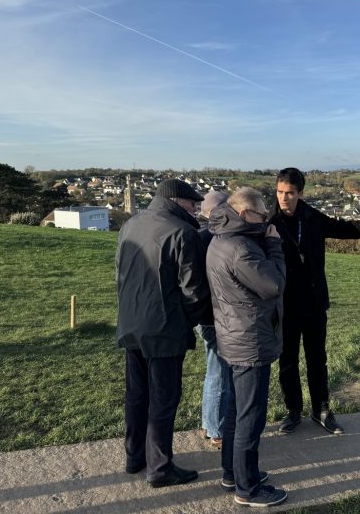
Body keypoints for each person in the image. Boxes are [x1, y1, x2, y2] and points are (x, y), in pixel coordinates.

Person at [270, 167, 360, 435]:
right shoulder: (268, 221)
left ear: (300, 193)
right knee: (287, 361)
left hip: (313, 303)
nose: (283, 198)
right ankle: (293, 411)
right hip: (284, 305)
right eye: (279, 192)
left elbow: (347, 228)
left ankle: (321, 410)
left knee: (317, 359)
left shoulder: (311, 218)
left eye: (289, 193)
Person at [116, 178, 210, 488]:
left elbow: (120, 273)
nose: (196, 209)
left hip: (132, 324)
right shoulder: (182, 232)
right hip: (165, 330)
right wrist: (190, 321)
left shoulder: (130, 225)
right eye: (193, 204)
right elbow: (194, 291)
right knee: (163, 399)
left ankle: (135, 457)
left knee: (136, 395)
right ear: (177, 201)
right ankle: (159, 467)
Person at [207, 187, 288, 507]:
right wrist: (274, 245)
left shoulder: (220, 239)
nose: (266, 220)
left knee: (234, 410)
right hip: (250, 340)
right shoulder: (242, 248)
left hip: (232, 335)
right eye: (261, 215)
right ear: (243, 214)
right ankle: (248, 488)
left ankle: (233, 472)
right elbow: (273, 285)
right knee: (250, 417)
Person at [194, 190, 230, 451]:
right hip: (215, 315)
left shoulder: (196, 236)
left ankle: (209, 423)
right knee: (219, 373)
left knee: (213, 371)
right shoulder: (215, 238)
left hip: (201, 315)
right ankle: (217, 428)